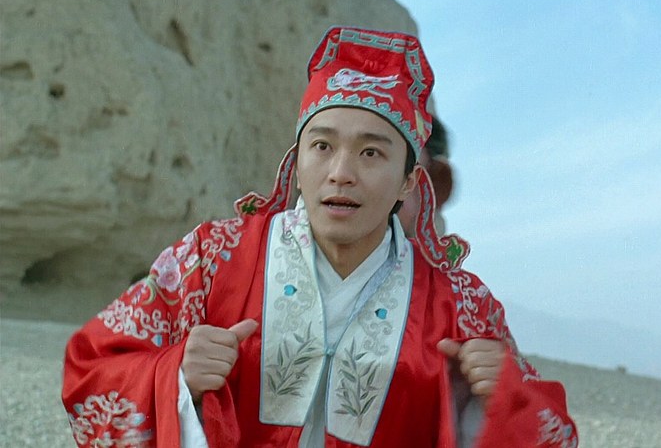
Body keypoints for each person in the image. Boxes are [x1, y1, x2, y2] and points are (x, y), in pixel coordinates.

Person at [62, 26, 577, 448]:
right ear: (296, 161)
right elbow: (91, 366)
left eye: (371, 153)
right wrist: (175, 374)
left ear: (408, 182)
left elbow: (553, 432)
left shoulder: (460, 307)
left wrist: (504, 398)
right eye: (322, 146)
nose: (341, 173)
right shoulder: (211, 260)